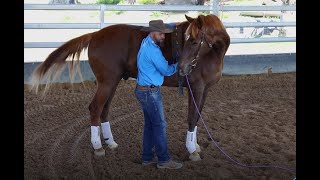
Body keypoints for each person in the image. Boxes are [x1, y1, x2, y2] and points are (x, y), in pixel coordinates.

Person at [134, 20, 183, 169]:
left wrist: (173, 24)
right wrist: (180, 63)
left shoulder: (146, 42)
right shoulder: (153, 51)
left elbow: (165, 28)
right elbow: (167, 71)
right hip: (150, 92)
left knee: (150, 125)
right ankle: (164, 160)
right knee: (160, 126)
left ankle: (147, 157)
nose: (163, 37)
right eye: (161, 34)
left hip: (142, 90)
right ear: (153, 32)